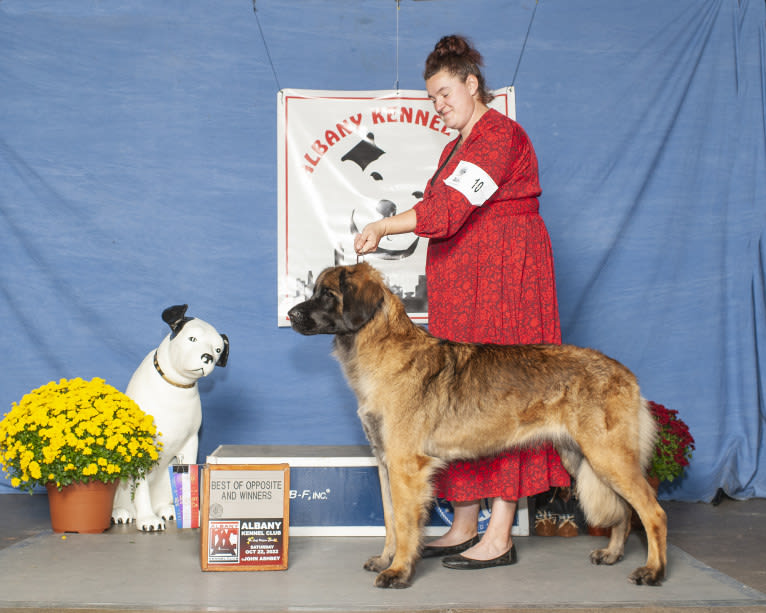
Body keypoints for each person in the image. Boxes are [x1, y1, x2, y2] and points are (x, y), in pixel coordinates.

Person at [354, 34, 570, 570]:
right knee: (457, 403)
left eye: (445, 93)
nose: (439, 106)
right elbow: (442, 210)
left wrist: (384, 225)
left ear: (473, 84)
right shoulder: (457, 144)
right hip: (464, 280)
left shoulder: (499, 135)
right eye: (432, 98)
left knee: (506, 395)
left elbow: (446, 210)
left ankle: (499, 531)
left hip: (506, 277)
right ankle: (465, 523)